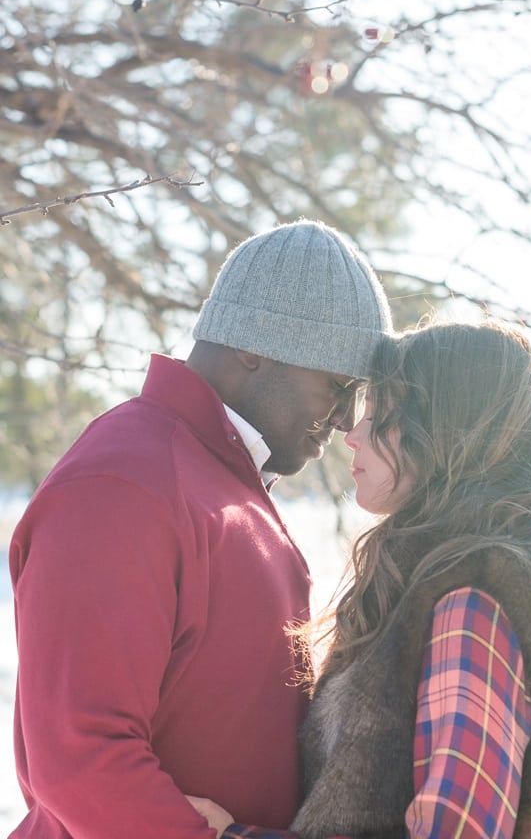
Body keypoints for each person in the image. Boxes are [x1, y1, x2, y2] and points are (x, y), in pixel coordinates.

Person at [10, 220, 392, 838]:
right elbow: (81, 760)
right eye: (338, 386)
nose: (347, 419)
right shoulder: (125, 483)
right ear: (253, 348)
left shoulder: (219, 478)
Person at [187, 320, 531, 839]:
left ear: (443, 430)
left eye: (377, 414)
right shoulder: (446, 586)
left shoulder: (474, 604)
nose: (350, 434)